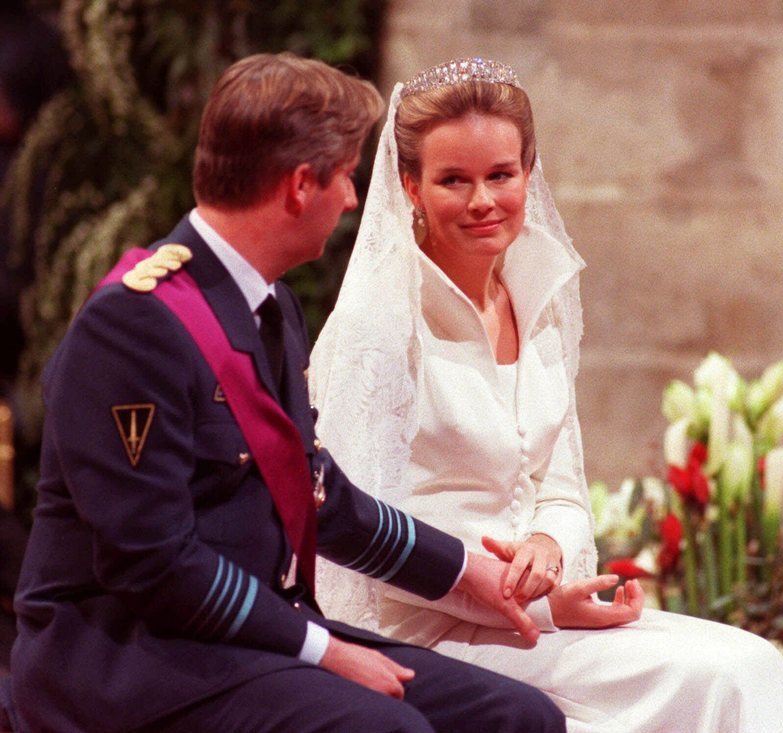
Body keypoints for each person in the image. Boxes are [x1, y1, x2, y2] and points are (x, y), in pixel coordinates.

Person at [1, 53, 567, 733]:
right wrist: (325, 649)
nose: (355, 199)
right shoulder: (132, 326)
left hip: (247, 639)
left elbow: (318, 492)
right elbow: (154, 564)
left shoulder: (270, 305)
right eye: (346, 177)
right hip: (129, 659)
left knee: (519, 716)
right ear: (301, 186)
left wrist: (467, 573)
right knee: (390, 729)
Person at [309, 58, 783, 733]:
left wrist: (547, 543)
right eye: (454, 179)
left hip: (540, 615)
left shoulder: (540, 297)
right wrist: (521, 595)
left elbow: (562, 485)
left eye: (500, 175)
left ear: (528, 174)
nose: (483, 200)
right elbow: (349, 531)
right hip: (427, 629)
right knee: (717, 677)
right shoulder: (379, 321)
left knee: (752, 662)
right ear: (410, 187)